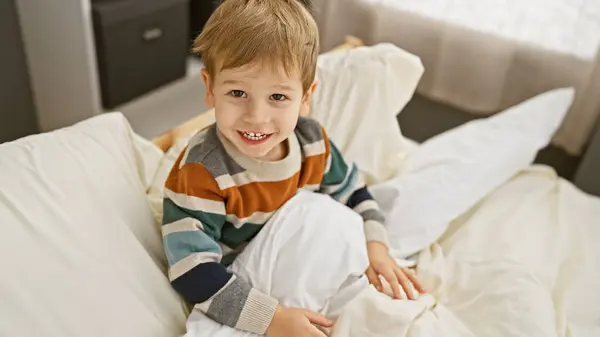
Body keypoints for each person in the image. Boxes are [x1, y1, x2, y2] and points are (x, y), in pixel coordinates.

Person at [161, 0, 426, 336]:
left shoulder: (311, 142)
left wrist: (377, 248)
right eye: (238, 92)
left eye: (278, 97)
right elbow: (192, 271)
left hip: (307, 267)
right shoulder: (201, 171)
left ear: (306, 96)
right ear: (210, 88)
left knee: (384, 306)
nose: (256, 116)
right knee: (315, 213)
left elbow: (354, 192)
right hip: (245, 285)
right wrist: (272, 319)